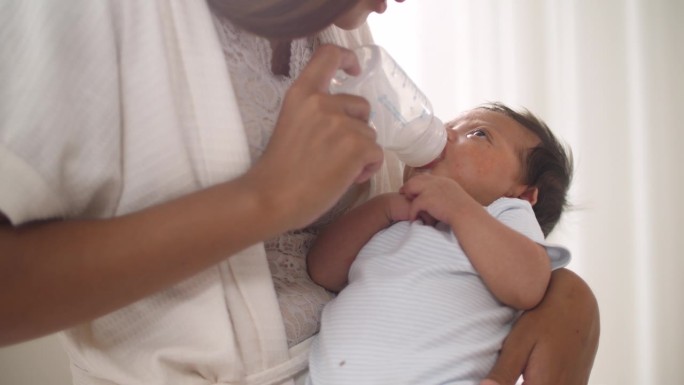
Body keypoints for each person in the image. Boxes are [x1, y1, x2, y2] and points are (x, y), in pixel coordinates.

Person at [0, 1, 598, 385]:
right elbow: (327, 265)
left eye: (477, 134)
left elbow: (525, 281)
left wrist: (569, 302)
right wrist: (267, 199)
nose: (387, 6)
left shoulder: (340, 26)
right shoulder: (93, 19)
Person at [306, 103, 574, 384]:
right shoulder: (397, 218)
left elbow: (528, 285)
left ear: (524, 195)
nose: (445, 133)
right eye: (449, 125)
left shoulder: (505, 216)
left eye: (479, 134)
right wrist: (383, 209)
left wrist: (459, 209)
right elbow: (323, 271)